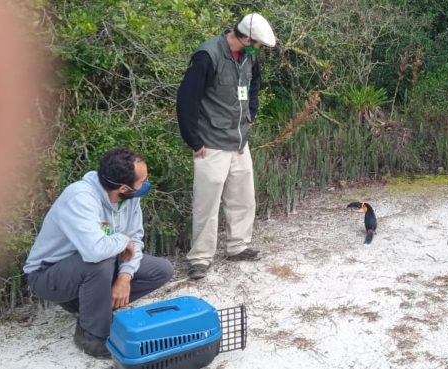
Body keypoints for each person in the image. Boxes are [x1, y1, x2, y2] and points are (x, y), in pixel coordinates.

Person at [23, 148, 173, 358]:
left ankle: (91, 306)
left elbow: (135, 241)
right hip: (49, 274)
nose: (146, 184)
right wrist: (123, 240)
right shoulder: (80, 197)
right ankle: (91, 336)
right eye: (143, 180)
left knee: (161, 270)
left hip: (94, 265)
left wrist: (125, 277)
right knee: (100, 260)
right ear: (123, 187)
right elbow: (94, 251)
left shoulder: (130, 198)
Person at [176, 13, 276, 280]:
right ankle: (200, 258)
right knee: (206, 205)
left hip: (239, 141)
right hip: (211, 143)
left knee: (243, 199)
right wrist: (193, 140)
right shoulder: (207, 56)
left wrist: (251, 114)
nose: (260, 50)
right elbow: (186, 99)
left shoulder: (249, 56)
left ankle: (238, 246)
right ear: (245, 37)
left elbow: (253, 86)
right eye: (257, 44)